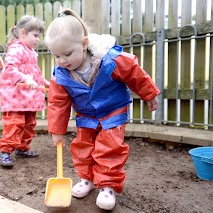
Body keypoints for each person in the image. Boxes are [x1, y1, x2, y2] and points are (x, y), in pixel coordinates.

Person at [44, 8, 160, 210]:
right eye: (56, 56)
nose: (62, 61)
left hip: (112, 111)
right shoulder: (61, 74)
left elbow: (135, 73)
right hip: (86, 115)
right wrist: (57, 130)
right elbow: (57, 102)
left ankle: (107, 185)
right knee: (83, 147)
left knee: (109, 148)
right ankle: (87, 179)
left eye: (67, 54)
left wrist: (149, 93)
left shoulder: (110, 59)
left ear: (84, 43)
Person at [0, 15, 50, 168]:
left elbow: (34, 72)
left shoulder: (30, 51)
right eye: (35, 35)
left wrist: (44, 81)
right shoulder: (16, 48)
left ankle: (22, 148)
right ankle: (5, 152)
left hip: (28, 97)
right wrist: (25, 79)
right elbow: (10, 69)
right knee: (15, 124)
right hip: (15, 96)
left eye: (39, 36)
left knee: (29, 123)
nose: (37, 39)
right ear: (22, 33)